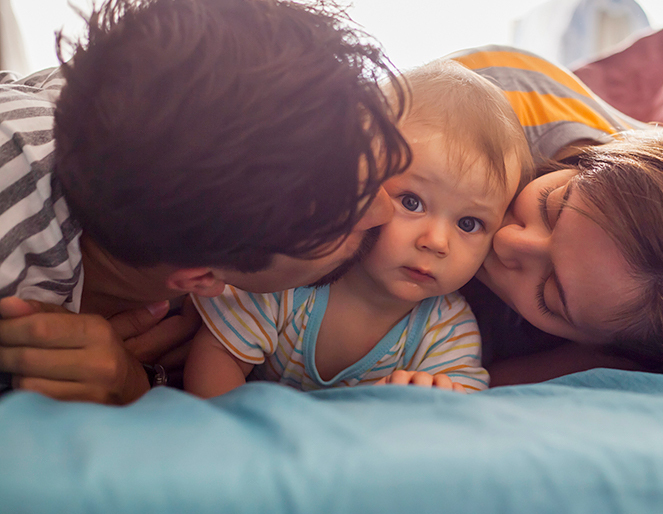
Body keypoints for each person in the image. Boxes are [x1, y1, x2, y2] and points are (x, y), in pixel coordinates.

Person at [0, 0, 411, 404]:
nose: (385, 210)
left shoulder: (138, 109)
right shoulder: (15, 199)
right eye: (344, 218)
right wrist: (127, 392)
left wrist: (140, 381)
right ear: (203, 278)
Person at [446, 46, 663, 382]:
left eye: (549, 294)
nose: (508, 242)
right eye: (550, 207)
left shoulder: (611, 324)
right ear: (592, 161)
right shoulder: (473, 109)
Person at [183, 60, 532, 396]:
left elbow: (463, 409)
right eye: (411, 202)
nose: (437, 242)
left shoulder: (446, 329)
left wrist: (435, 399)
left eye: (469, 223)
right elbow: (218, 356)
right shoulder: (292, 278)